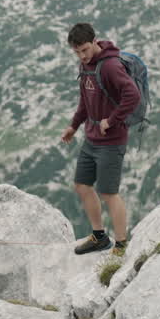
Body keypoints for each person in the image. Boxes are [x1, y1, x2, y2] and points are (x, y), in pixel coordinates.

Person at [60, 22, 138, 255]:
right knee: (82, 185)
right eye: (77, 52)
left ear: (95, 42)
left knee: (108, 193)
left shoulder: (111, 66)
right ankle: (99, 236)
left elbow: (132, 95)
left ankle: (122, 244)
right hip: (91, 138)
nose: (82, 55)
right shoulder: (86, 66)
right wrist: (74, 126)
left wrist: (112, 120)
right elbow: (85, 100)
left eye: (85, 49)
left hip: (112, 141)